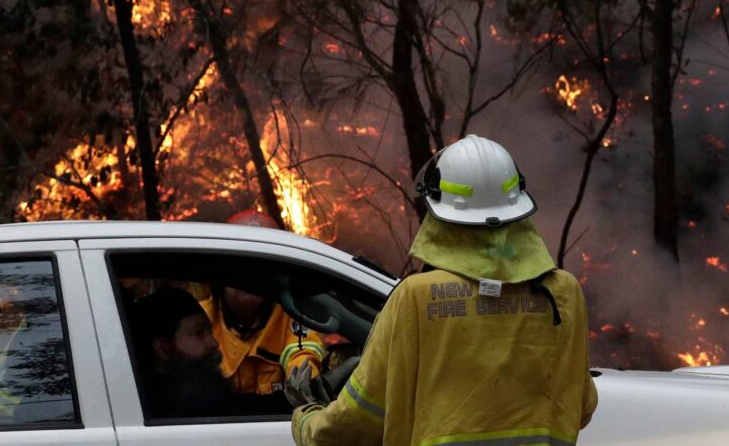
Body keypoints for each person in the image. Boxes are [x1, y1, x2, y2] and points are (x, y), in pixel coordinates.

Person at [290, 134, 597, 446]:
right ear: (517, 210)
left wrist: (307, 418)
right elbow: (581, 407)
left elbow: (360, 420)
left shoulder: (416, 299)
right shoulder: (563, 293)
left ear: (436, 213)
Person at [196, 210, 325, 396]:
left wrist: (303, 380)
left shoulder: (292, 315)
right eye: (241, 264)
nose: (250, 276)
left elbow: (303, 350)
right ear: (223, 268)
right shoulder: (201, 318)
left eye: (261, 264)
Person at [132, 288, 291, 419]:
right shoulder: (171, 406)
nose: (213, 343)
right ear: (163, 348)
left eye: (210, 331)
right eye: (198, 333)